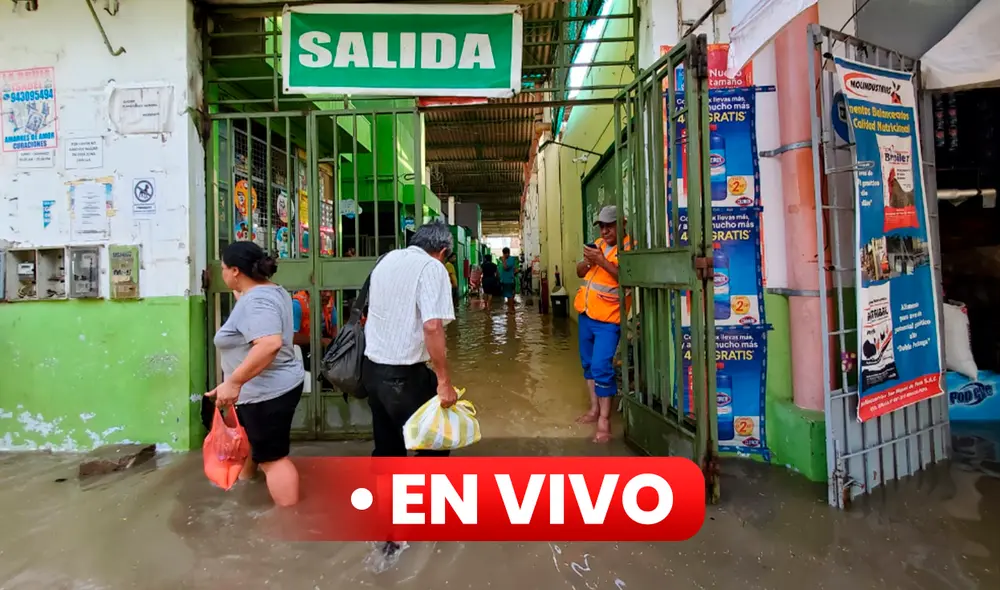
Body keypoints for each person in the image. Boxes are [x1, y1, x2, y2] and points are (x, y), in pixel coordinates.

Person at [361, 220, 458, 559]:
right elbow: (432, 325)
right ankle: (413, 526)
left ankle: (386, 523)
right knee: (434, 446)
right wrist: (443, 381)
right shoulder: (433, 268)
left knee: (388, 448)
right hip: (405, 375)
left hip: (373, 370)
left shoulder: (387, 259)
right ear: (442, 251)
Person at [208, 241, 305, 506]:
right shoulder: (269, 291)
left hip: (266, 392)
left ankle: (290, 518)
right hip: (270, 386)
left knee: (273, 460)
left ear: (235, 271)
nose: (222, 274)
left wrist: (234, 382)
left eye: (223, 268)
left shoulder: (257, 301)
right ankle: (246, 486)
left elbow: (269, 343)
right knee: (251, 442)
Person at [574, 206, 632, 444]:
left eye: (610, 225)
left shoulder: (629, 248)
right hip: (586, 315)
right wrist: (588, 262)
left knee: (601, 367)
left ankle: (604, 422)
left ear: (623, 224)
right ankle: (594, 409)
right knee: (588, 365)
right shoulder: (597, 244)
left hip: (609, 320)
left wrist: (601, 261)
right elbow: (579, 272)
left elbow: (626, 277)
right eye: (602, 226)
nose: (605, 230)